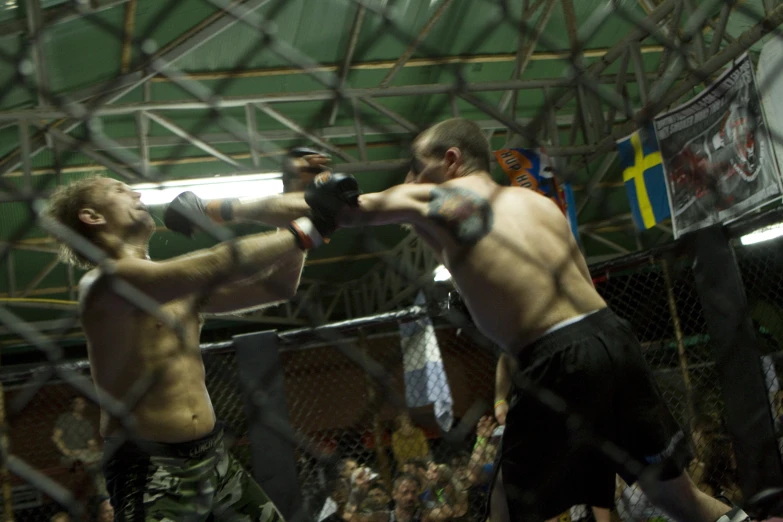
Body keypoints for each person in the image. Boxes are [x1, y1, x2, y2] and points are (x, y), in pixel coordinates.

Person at [334, 118, 746, 522]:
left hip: (557, 356)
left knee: (505, 508)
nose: (410, 177)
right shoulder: (538, 204)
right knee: (680, 500)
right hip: (610, 336)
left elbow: (351, 210)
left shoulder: (442, 199)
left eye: (416, 167)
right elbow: (586, 285)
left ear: (451, 160)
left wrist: (303, 191)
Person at [43, 151, 359, 521]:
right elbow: (213, 262)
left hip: (213, 457)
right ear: (92, 216)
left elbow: (277, 285)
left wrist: (298, 201)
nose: (138, 196)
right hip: (150, 467)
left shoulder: (177, 288)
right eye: (121, 190)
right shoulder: (104, 283)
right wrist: (311, 226)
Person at [51, 396, 96, 467]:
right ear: (72, 405)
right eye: (76, 403)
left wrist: (93, 450)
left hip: (84, 452)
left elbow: (91, 442)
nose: (79, 405)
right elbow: (55, 437)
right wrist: (67, 452)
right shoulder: (65, 418)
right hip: (69, 454)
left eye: (82, 403)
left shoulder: (87, 422)